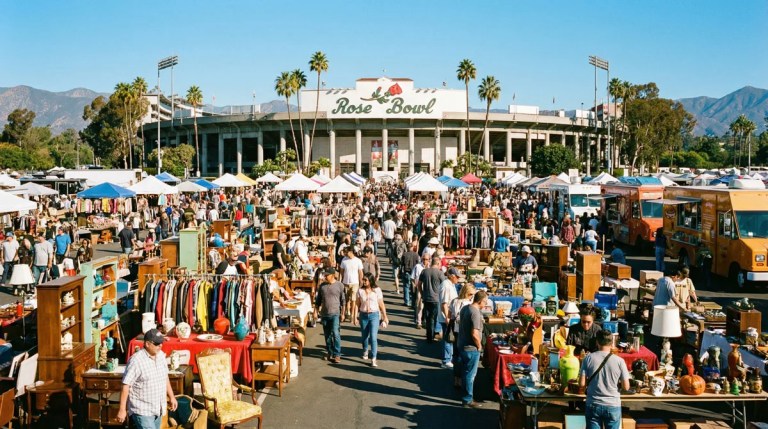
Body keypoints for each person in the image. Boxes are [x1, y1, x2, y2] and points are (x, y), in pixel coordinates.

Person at [117, 329, 178, 428]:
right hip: (142, 410)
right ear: (147, 344)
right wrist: (122, 409)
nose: (160, 346)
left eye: (161, 343)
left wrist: (171, 397)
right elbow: (126, 385)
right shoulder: (136, 361)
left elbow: (165, 377)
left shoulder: (161, 356)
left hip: (158, 409)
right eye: (157, 344)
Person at [578, 329, 630, 429]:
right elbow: (626, 387)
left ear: (597, 342)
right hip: (613, 405)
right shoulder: (620, 361)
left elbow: (581, 384)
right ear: (612, 343)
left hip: (593, 404)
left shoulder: (588, 358)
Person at [457, 290, 487, 408]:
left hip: (462, 344)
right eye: (485, 301)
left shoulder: (465, 308)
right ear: (481, 301)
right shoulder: (475, 313)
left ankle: (465, 395)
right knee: (471, 374)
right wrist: (479, 346)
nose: (486, 304)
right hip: (471, 348)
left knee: (465, 372)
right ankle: (468, 399)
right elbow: (475, 333)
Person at [356, 272, 388, 367]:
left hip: (374, 315)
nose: (364, 281)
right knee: (364, 336)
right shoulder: (360, 291)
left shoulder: (377, 290)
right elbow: (357, 305)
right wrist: (355, 317)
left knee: (373, 337)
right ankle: (365, 350)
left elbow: (381, 304)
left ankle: (374, 358)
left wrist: (384, 316)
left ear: (370, 281)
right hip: (363, 315)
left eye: (366, 280)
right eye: (363, 280)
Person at [314, 267, 345, 363]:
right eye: (325, 275)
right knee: (327, 335)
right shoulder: (322, 286)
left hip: (335, 313)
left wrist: (343, 313)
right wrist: (315, 311)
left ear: (332, 275)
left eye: (327, 275)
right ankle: (329, 351)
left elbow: (343, 301)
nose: (325, 276)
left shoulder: (340, 285)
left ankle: (337, 354)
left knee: (335, 333)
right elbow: (318, 301)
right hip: (324, 314)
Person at [449, 283, 476, 388]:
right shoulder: (468, 304)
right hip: (464, 332)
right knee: (465, 356)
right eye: (471, 294)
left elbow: (450, 316)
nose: (472, 296)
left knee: (456, 354)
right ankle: (465, 379)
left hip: (455, 330)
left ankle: (457, 378)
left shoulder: (454, 301)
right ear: (468, 293)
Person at [417, 256, 444, 343]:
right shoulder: (440, 273)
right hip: (436, 299)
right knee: (435, 318)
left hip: (427, 298)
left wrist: (422, 294)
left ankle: (429, 336)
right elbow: (444, 285)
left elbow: (419, 284)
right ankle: (433, 335)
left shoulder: (424, 271)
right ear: (438, 263)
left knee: (428, 318)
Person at [438, 268, 460, 368]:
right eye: (457, 277)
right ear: (451, 275)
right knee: (448, 338)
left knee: (449, 338)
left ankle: (448, 358)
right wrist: (447, 317)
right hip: (447, 317)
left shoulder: (450, 284)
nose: (458, 279)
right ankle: (446, 360)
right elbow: (444, 303)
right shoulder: (446, 286)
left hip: (449, 316)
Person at [339, 247, 364, 325]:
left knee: (353, 300)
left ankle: (352, 315)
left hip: (355, 283)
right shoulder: (344, 260)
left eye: (347, 252)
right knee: (346, 299)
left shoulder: (358, 261)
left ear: (351, 251)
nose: (346, 254)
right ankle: (347, 312)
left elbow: (360, 272)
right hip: (345, 282)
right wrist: (340, 281)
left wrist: (361, 281)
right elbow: (341, 272)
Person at [400, 241, 420, 307]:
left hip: (407, 271)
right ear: (412, 247)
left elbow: (402, 264)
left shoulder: (404, 254)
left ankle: (407, 301)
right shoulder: (416, 255)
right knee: (413, 288)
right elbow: (418, 263)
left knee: (406, 286)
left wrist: (400, 272)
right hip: (414, 273)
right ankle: (413, 302)